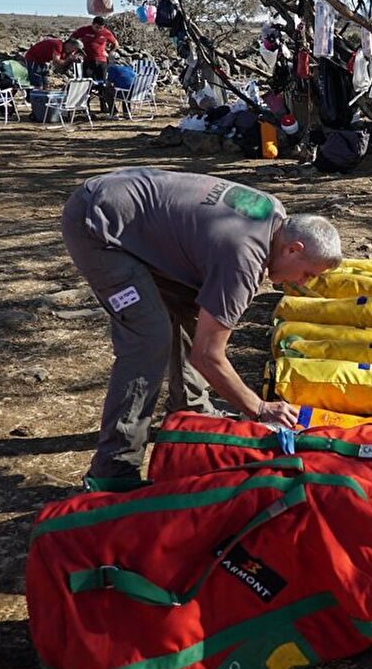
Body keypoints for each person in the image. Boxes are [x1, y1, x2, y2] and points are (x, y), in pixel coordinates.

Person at [61, 167, 342, 491]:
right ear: (294, 249)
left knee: (192, 309)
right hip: (98, 227)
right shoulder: (242, 259)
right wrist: (259, 408)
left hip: (128, 207)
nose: (304, 283)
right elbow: (208, 357)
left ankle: (191, 416)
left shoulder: (273, 214)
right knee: (150, 337)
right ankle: (113, 471)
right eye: (307, 273)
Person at [69, 16, 120, 84]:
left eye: (101, 28)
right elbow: (71, 39)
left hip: (102, 61)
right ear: (92, 24)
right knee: (87, 82)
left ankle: (100, 94)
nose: (98, 29)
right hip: (88, 60)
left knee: (101, 83)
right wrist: (77, 51)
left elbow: (116, 44)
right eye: (97, 27)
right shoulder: (84, 30)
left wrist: (109, 52)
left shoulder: (106, 32)